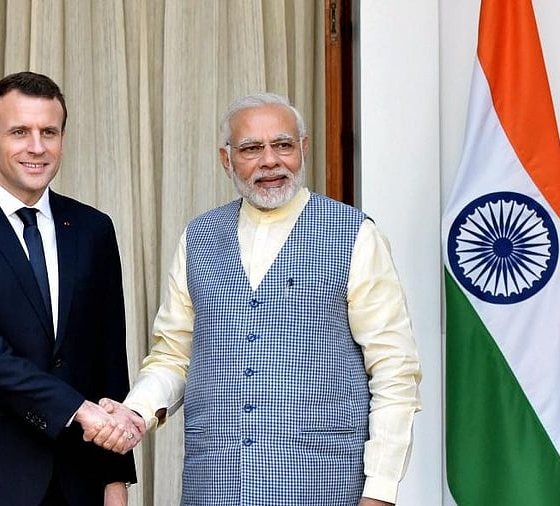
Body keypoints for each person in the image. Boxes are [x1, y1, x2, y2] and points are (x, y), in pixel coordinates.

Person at [95, 93, 422, 505]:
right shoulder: (198, 238)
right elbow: (173, 355)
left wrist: (380, 491)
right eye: (251, 148)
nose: (270, 161)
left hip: (324, 486)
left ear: (303, 150)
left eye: (282, 145)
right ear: (226, 159)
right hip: (214, 487)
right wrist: (135, 413)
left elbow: (395, 370)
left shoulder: (355, 235)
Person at [0, 71, 138, 506]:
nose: (37, 147)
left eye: (48, 132)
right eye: (19, 132)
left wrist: (115, 480)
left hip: (77, 480)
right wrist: (78, 409)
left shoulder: (92, 229)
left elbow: (109, 361)